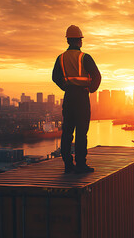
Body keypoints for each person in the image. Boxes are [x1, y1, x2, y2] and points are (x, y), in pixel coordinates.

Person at [52, 25, 101, 173]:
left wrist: (65, 87)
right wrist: (90, 89)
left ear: (68, 41)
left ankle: (68, 164)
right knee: (81, 132)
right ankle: (80, 164)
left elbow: (55, 77)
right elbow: (97, 76)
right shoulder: (85, 57)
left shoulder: (60, 58)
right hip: (81, 97)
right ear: (80, 41)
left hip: (69, 97)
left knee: (67, 131)